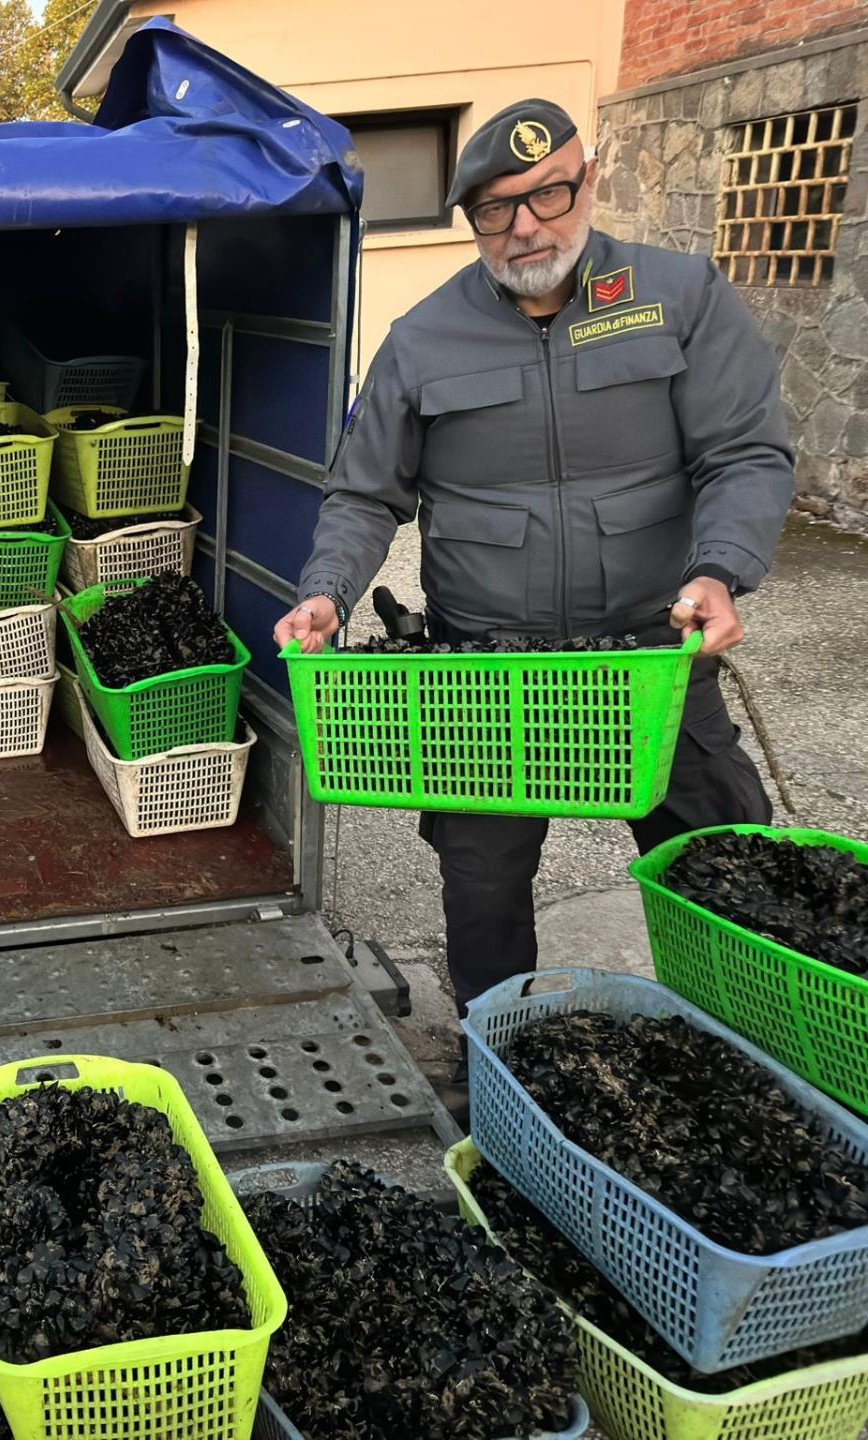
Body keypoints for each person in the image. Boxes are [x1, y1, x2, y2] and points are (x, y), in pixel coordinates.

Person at [275, 100, 792, 1039]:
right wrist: (325, 591)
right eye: (495, 209)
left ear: (587, 182)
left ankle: (751, 1053)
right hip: (489, 676)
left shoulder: (680, 297)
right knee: (482, 896)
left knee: (721, 874)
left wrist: (722, 568)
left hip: (655, 660)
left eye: (548, 194)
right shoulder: (422, 338)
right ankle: (498, 1060)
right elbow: (363, 495)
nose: (525, 227)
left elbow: (745, 453)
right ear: (470, 220)